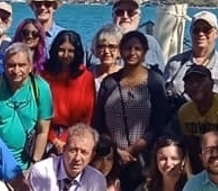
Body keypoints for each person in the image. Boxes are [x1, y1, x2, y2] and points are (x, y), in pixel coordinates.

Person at [97, 30, 170, 173]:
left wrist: (132, 149)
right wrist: (116, 149)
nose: (132, 53)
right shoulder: (110, 82)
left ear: (145, 52)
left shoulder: (154, 81)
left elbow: (159, 122)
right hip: (112, 155)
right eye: (127, 48)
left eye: (137, 49)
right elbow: (99, 121)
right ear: (120, 51)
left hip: (144, 156)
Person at [0, 42, 53, 165]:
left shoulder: (41, 88)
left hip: (24, 161)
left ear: (30, 66)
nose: (16, 70)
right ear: (3, 65)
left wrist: (35, 164)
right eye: (11, 65)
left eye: (21, 65)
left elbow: (43, 131)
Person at [171, 63, 218, 165]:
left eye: (200, 81)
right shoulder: (184, 111)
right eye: (190, 82)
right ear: (185, 89)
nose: (195, 85)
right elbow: (190, 143)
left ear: (211, 84)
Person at [163, 11, 218, 103]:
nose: (201, 34)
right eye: (196, 30)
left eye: (207, 29)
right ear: (191, 32)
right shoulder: (174, 63)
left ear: (216, 33)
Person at [41, 31, 96, 154]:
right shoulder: (44, 74)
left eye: (70, 51)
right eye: (61, 50)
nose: (65, 55)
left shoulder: (85, 76)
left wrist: (66, 138)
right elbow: (38, 109)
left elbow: (87, 115)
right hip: (45, 133)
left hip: (74, 135)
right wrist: (53, 138)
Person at [109, 0, 165, 71]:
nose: (125, 16)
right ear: (113, 16)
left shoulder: (151, 43)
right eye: (120, 12)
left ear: (139, 17)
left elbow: (161, 76)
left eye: (131, 12)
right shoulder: (99, 44)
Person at [91, 25, 125, 89]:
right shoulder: (88, 75)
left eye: (112, 47)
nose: (106, 51)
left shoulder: (126, 76)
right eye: (101, 46)